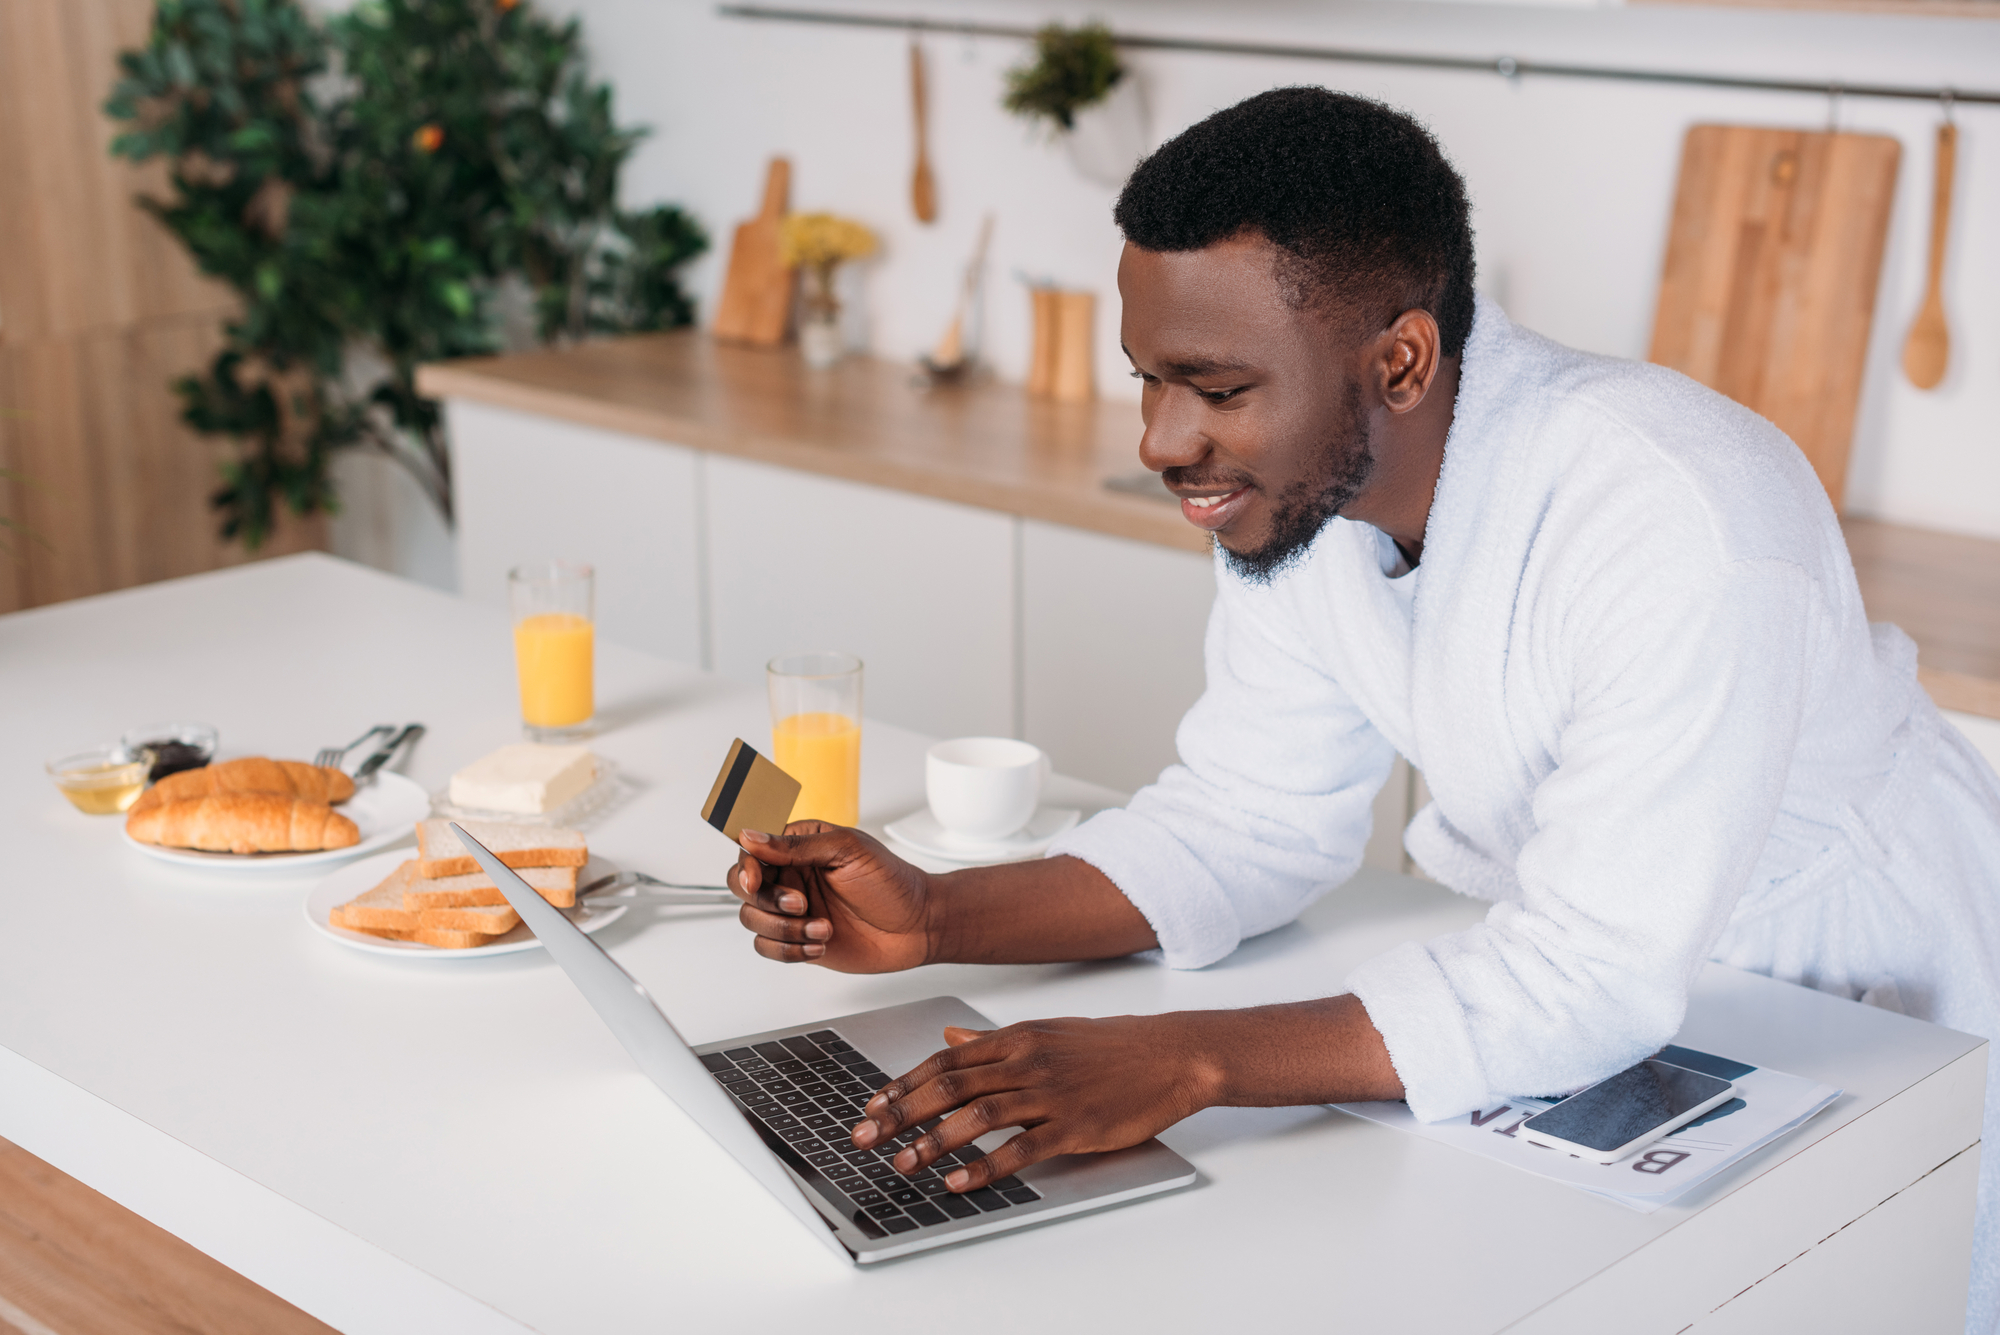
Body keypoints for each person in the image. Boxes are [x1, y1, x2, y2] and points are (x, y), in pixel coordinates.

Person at [726, 88, 2000, 1332]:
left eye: (1216, 390)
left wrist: (1184, 1058)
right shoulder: (1296, 504)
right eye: (1150, 380)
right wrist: (939, 915)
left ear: (1398, 359)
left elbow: (1593, 971)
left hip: (1868, 1012)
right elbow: (1248, 817)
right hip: (1610, 999)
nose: (1164, 440)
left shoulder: (1679, 516)